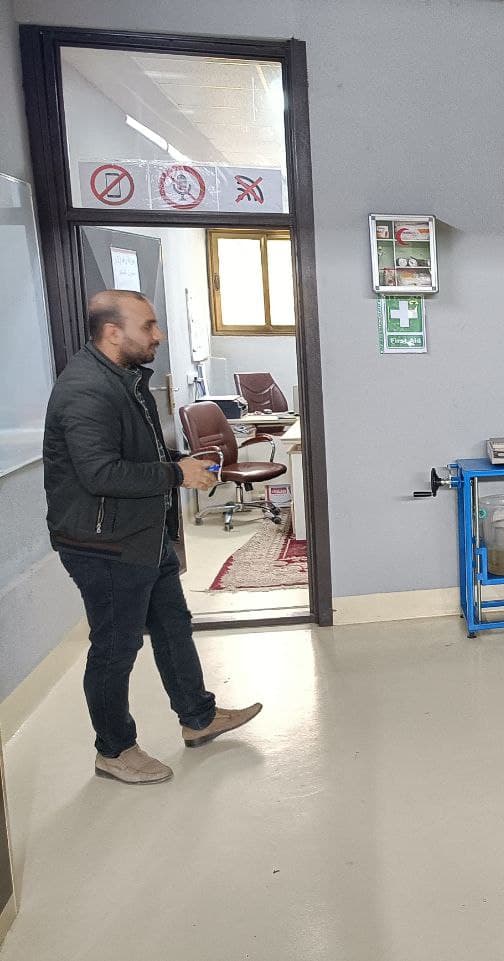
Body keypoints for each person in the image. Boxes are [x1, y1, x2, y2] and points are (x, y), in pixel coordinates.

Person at [44, 290, 262, 785]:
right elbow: (101, 473)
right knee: (115, 647)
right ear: (112, 332)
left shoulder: (124, 379)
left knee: (172, 624)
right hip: (103, 543)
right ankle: (114, 750)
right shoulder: (86, 390)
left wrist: (178, 465)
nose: (158, 335)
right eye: (148, 326)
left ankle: (198, 717)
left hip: (142, 532)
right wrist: (176, 475)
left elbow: (138, 456)